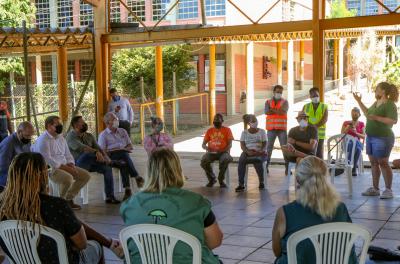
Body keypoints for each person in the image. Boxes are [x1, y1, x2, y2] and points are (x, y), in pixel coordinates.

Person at [0, 152, 124, 264]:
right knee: (96, 246)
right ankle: (110, 244)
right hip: (61, 260)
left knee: (69, 222)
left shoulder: (3, 206)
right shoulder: (55, 205)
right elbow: (82, 244)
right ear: (41, 175)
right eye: (46, 169)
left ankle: (110, 243)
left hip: (20, 260)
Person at [120, 148, 223, 264]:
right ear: (177, 170)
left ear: (149, 171)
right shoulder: (197, 202)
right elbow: (215, 241)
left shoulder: (130, 204)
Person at [272, 156, 356, 264]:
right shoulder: (341, 208)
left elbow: (277, 251)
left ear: (298, 179)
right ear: (326, 177)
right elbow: (348, 242)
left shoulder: (285, 212)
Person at [31, 116, 90, 210]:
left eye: (60, 124)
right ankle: (60, 204)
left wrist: (71, 164)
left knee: (85, 176)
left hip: (65, 165)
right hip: (51, 169)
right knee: (68, 178)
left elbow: (67, 153)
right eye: (57, 124)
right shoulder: (43, 140)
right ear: (49, 126)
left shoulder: (61, 137)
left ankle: (67, 199)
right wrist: (67, 169)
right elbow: (48, 160)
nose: (60, 126)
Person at [353, 82, 398, 199]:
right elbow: (368, 114)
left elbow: (393, 121)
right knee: (373, 163)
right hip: (371, 136)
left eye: (377, 88)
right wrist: (359, 101)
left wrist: (377, 118)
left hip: (383, 137)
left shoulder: (389, 104)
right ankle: (375, 189)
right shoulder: (376, 103)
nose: (375, 90)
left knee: (383, 162)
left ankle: (388, 190)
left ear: (383, 91)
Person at [66, 116, 120, 204]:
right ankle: (113, 163)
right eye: (82, 122)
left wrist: (107, 158)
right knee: (87, 154)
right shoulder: (70, 136)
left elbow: (99, 149)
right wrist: (96, 153)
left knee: (107, 168)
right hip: (78, 165)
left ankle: (110, 196)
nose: (84, 123)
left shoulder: (89, 136)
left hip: (92, 164)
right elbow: (83, 148)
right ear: (76, 125)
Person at [98, 112, 144, 201]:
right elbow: (103, 152)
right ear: (108, 123)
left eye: (117, 118)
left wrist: (124, 149)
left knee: (124, 161)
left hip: (123, 156)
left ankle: (128, 190)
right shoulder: (103, 135)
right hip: (111, 158)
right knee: (123, 154)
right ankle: (137, 177)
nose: (117, 120)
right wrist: (117, 150)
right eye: (114, 119)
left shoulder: (122, 131)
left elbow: (130, 146)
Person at [235, 114, 267, 192]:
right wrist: (247, 151)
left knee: (257, 160)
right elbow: (242, 145)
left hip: (259, 152)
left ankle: (261, 181)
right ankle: (241, 184)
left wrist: (261, 150)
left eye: (255, 120)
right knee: (241, 160)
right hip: (248, 152)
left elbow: (265, 143)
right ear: (249, 123)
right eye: (253, 121)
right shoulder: (244, 132)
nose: (255, 122)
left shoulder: (262, 131)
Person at [201, 113, 233, 188]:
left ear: (222, 121)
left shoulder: (227, 130)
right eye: (215, 120)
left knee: (224, 160)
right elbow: (203, 144)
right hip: (212, 153)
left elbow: (230, 145)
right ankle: (212, 179)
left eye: (218, 120)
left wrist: (223, 150)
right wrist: (207, 148)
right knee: (204, 161)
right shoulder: (209, 131)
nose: (216, 121)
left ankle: (221, 180)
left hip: (224, 152)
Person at [0, 121, 34, 192]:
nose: (29, 138)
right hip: (8, 178)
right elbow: (3, 167)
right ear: (19, 132)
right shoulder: (8, 144)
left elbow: (28, 157)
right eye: (27, 135)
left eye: (31, 136)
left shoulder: (26, 140)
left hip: (21, 172)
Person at [265, 85, 288, 173]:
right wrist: (277, 110)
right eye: (277, 91)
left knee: (284, 148)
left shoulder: (285, 102)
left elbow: (283, 111)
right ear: (274, 92)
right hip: (271, 129)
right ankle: (266, 166)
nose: (279, 93)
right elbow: (266, 111)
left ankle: (287, 167)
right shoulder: (268, 102)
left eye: (280, 92)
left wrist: (272, 110)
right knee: (268, 148)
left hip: (282, 129)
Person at [303, 87, 328, 159]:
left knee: (319, 153)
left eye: (317, 95)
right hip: (308, 134)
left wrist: (315, 127)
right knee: (309, 153)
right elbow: (302, 119)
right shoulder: (306, 106)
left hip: (320, 134)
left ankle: (320, 170)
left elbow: (325, 119)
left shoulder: (324, 106)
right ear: (310, 97)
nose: (315, 97)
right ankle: (310, 169)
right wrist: (310, 126)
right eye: (313, 96)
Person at [341, 107, 365, 176]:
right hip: (347, 144)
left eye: (355, 114)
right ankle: (353, 167)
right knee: (354, 144)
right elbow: (341, 134)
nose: (354, 115)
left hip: (357, 143)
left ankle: (349, 163)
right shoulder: (346, 123)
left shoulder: (361, 124)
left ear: (359, 115)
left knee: (356, 143)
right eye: (352, 114)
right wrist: (347, 128)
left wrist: (356, 133)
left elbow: (364, 136)